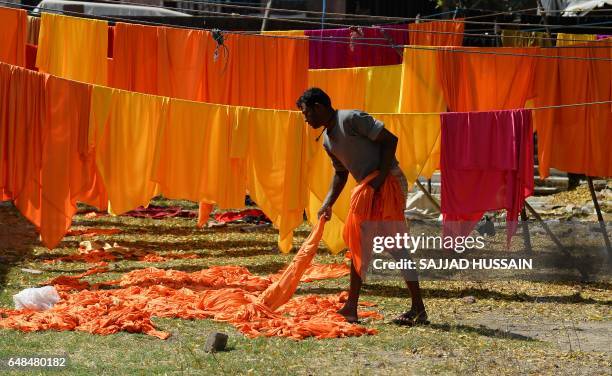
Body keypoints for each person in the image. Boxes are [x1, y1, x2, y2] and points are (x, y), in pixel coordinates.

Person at [296, 87, 428, 325]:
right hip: (369, 190)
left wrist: (380, 178)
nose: (305, 119)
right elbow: (340, 174)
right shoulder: (327, 140)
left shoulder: (351, 118)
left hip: (388, 183)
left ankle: (414, 308)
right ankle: (353, 307)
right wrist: (327, 203)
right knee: (359, 243)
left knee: (395, 247)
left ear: (318, 107)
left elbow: (390, 140)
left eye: (306, 112)